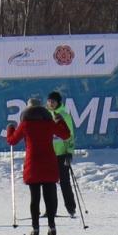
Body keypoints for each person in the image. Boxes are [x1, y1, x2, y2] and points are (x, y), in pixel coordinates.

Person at [4, 97, 66, 235]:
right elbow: (65, 135)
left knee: (35, 198)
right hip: (49, 162)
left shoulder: (25, 124)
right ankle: (52, 226)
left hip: (33, 164)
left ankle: (35, 228)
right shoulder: (49, 123)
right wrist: (60, 121)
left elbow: (11, 140)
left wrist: (10, 128)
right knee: (49, 197)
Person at [47, 90, 78, 221]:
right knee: (48, 183)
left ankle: (71, 208)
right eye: (49, 101)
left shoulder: (65, 115)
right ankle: (50, 210)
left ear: (58, 102)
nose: (50, 103)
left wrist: (69, 153)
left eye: (53, 101)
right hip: (48, 154)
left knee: (65, 182)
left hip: (62, 154)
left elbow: (70, 136)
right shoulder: (46, 115)